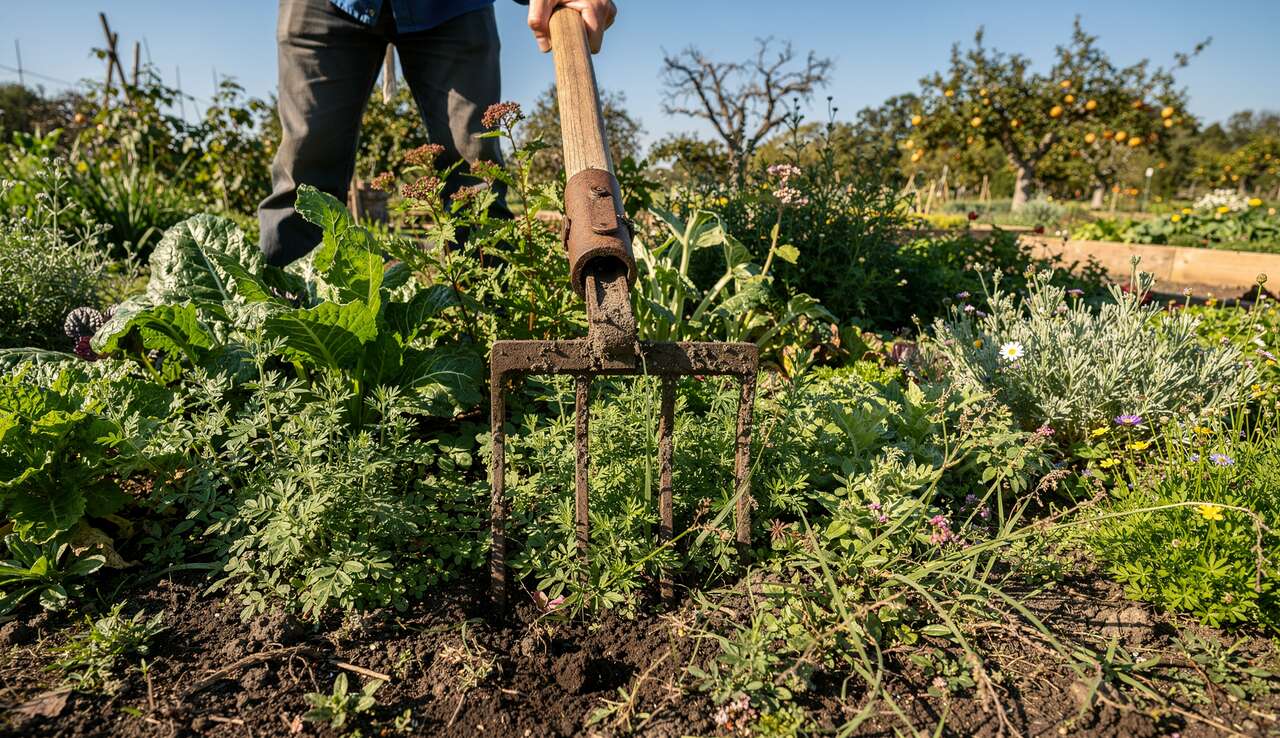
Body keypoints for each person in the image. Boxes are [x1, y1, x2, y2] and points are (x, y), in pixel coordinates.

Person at [258, 0, 617, 266]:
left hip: (451, 8)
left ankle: (488, 327)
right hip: (327, 7)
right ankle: (282, 320)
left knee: (476, 176)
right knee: (306, 169)